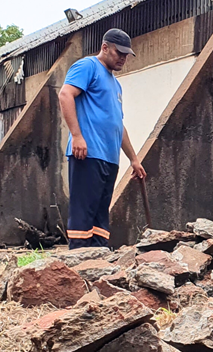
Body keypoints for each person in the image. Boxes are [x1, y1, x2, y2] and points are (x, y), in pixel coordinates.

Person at [57, 27, 146, 248]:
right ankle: (78, 263)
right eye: (119, 53)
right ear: (105, 47)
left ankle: (99, 263)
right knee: (83, 213)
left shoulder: (115, 84)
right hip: (88, 153)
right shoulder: (88, 66)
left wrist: (134, 160)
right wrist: (77, 136)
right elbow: (65, 94)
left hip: (109, 158)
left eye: (126, 55)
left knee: (100, 216)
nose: (123, 59)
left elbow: (118, 125)